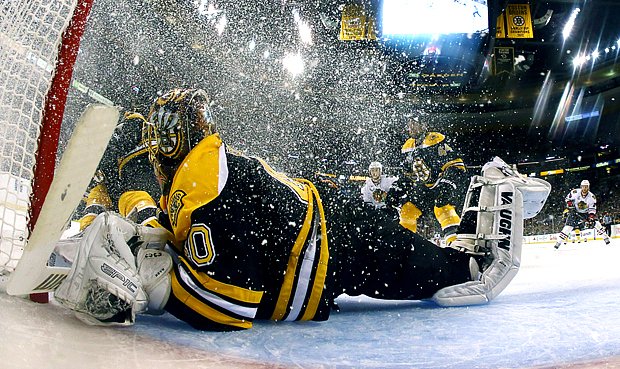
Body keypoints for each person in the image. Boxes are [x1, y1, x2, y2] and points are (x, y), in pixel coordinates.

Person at [53, 88, 551, 331]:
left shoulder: (205, 185)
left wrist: (158, 285)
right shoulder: (202, 172)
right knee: (431, 256)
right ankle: (473, 216)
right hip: (329, 229)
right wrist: (142, 224)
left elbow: (229, 309)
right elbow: (187, 224)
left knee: (460, 273)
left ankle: (497, 200)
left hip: (340, 242)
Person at [77, 111, 161, 231]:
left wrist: (104, 154)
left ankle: (151, 227)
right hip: (124, 180)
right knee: (98, 194)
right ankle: (86, 230)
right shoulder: (109, 166)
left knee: (132, 197)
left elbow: (135, 125)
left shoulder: (132, 123)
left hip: (140, 172)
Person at [390, 117, 468, 245]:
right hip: (424, 188)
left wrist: (448, 184)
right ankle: (403, 243)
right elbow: (407, 175)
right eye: (409, 125)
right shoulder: (407, 146)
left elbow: (456, 165)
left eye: (414, 124)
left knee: (443, 208)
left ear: (424, 125)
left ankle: (456, 242)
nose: (410, 128)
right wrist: (397, 188)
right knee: (408, 209)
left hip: (441, 183)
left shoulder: (437, 139)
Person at [554, 180, 610, 249]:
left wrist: (591, 216)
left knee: (597, 224)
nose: (585, 188)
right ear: (581, 187)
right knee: (568, 227)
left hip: (586, 213)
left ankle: (605, 237)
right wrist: (570, 204)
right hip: (574, 212)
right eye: (583, 187)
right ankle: (558, 242)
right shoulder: (575, 192)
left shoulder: (592, 197)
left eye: (586, 187)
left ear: (588, 187)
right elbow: (567, 199)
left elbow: (592, 209)